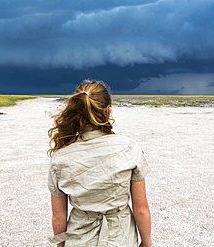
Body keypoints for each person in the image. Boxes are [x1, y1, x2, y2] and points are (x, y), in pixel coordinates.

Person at [47, 80, 152, 247]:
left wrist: (61, 245)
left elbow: (58, 217)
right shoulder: (129, 148)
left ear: (76, 112)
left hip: (79, 239)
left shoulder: (60, 157)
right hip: (121, 237)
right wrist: (146, 243)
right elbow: (141, 209)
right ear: (108, 111)